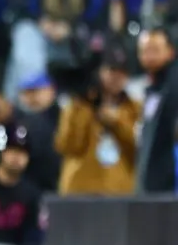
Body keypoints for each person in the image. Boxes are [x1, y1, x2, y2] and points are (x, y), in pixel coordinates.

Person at [54, 43, 140, 195]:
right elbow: (67, 146)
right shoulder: (77, 105)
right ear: (99, 71)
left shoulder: (135, 108)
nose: (117, 77)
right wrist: (84, 107)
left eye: (123, 72)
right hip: (79, 191)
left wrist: (116, 122)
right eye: (112, 70)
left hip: (121, 194)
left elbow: (141, 150)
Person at [135, 26, 178, 193]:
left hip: (170, 188)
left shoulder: (174, 85)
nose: (149, 56)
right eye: (144, 51)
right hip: (153, 187)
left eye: (155, 50)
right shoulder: (154, 88)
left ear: (170, 51)